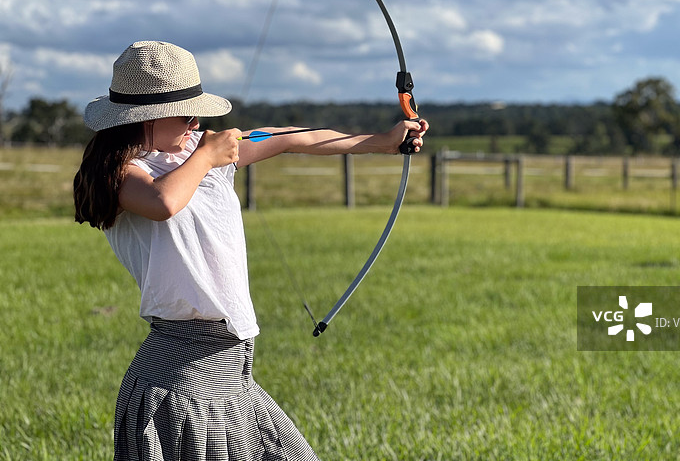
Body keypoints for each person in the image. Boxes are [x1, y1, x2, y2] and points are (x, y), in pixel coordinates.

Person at [73, 41, 428, 460]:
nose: (196, 121)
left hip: (232, 376)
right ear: (145, 116)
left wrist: (380, 141)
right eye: (185, 112)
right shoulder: (126, 175)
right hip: (178, 382)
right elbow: (163, 203)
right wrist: (207, 154)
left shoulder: (195, 152)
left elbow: (293, 138)